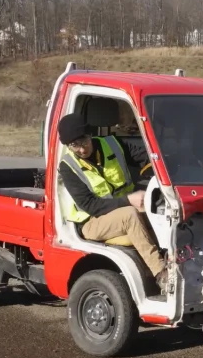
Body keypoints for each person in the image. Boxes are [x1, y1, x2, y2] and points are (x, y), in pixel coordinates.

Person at [56, 112, 168, 292]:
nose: (82, 149)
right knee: (131, 216)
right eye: (74, 145)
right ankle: (161, 274)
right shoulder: (68, 167)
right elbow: (91, 206)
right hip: (91, 222)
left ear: (90, 134)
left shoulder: (113, 144)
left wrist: (161, 174)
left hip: (119, 212)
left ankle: (178, 263)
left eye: (84, 141)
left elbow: (146, 159)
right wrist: (128, 200)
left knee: (162, 211)